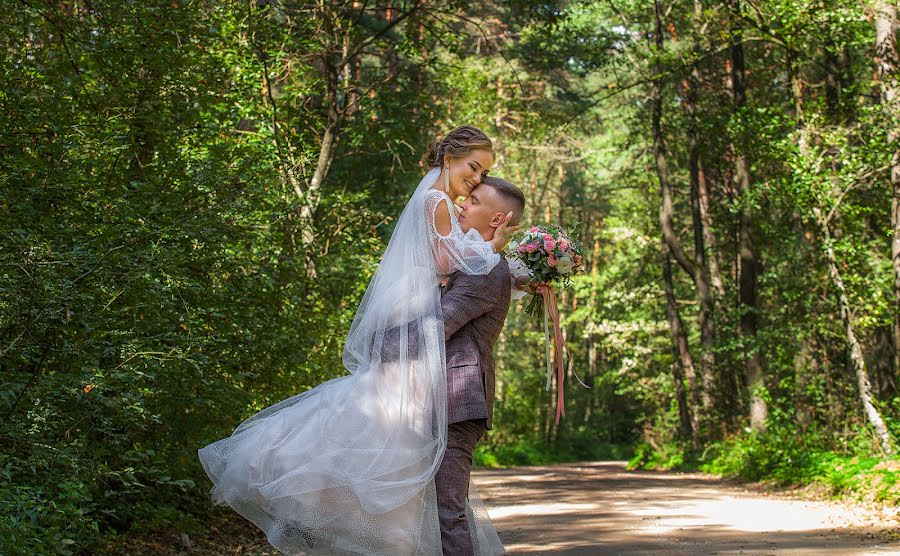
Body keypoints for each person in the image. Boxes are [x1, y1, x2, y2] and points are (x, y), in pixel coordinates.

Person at [197, 125, 517, 555]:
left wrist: (506, 264)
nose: (474, 183)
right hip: (421, 358)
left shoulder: (459, 231)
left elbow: (457, 297)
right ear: (449, 158)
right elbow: (452, 263)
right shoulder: (440, 205)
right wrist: (498, 251)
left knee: (435, 502)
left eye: (480, 181)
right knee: (415, 491)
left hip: (441, 377)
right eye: (474, 171)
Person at [435, 177, 526, 555]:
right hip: (434, 395)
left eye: (473, 200)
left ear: (497, 218)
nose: (462, 203)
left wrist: (377, 347)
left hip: (458, 402)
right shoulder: (471, 261)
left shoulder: (485, 270)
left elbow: (438, 326)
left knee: (448, 511)